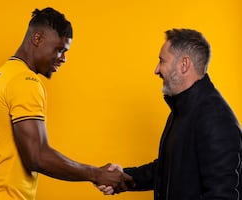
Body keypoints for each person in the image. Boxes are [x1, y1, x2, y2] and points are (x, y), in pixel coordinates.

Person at [0, 7, 133, 200]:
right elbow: (37, 157)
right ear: (37, 39)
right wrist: (96, 174)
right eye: (59, 49)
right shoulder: (24, 81)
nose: (63, 58)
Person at [98, 28, 242, 199]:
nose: (156, 70)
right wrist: (124, 177)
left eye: (162, 61)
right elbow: (171, 168)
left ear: (184, 64)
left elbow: (223, 195)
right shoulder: (183, 109)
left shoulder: (215, 118)